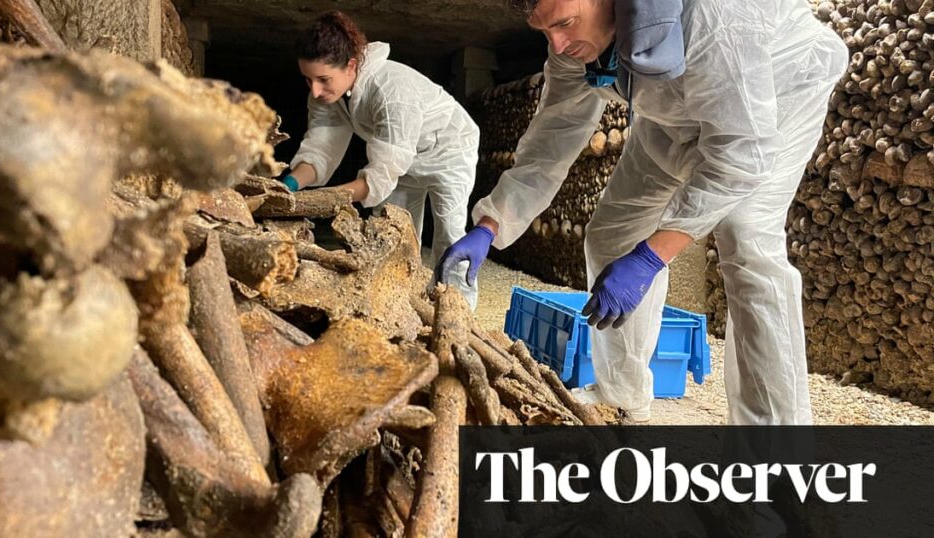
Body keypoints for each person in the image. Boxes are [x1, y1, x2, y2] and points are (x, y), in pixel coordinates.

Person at [438, 0, 847, 424]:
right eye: (544, 32)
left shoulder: (710, 18)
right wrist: (490, 225)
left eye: (564, 24)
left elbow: (741, 154)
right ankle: (621, 394)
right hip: (676, 112)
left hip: (779, 91)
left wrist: (652, 256)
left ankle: (775, 449)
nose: (557, 44)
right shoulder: (571, 47)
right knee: (612, 233)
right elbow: (551, 140)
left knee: (746, 240)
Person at [283, 11, 482, 308]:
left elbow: (381, 174)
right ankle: (403, 306)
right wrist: (288, 185)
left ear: (351, 65)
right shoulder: (327, 92)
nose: (315, 90)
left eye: (323, 79)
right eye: (308, 79)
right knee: (395, 235)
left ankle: (458, 312)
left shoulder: (391, 90)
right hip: (404, 159)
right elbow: (321, 146)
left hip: (449, 151)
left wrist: (324, 200)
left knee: (450, 235)